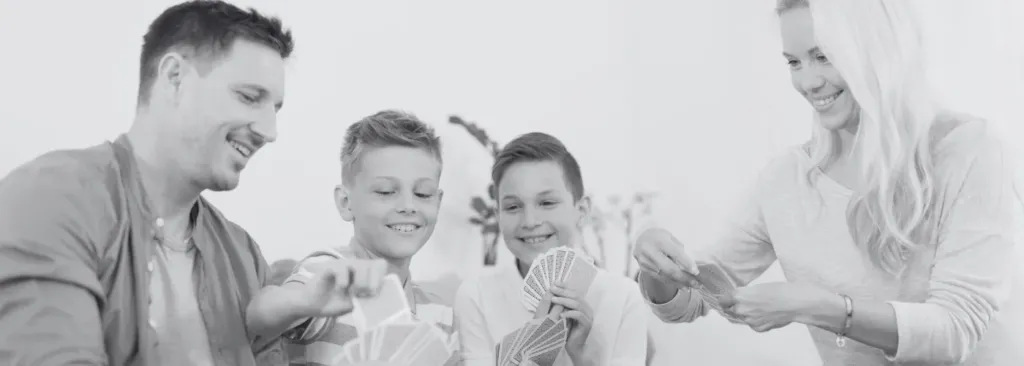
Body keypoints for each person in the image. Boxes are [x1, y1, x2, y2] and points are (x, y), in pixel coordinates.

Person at [633, 0, 1022, 364]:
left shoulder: (970, 151)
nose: (808, 82)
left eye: (823, 57)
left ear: (877, 51)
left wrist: (820, 306)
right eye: (794, 62)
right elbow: (694, 299)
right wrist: (656, 267)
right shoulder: (787, 180)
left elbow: (956, 329)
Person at [0, 1, 294, 365]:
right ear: (175, 77)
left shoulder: (244, 254)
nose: (269, 132)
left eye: (275, 109)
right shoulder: (49, 199)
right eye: (249, 98)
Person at [245, 110, 460, 366]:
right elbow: (259, 316)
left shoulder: (442, 314)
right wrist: (303, 301)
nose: (408, 205)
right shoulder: (328, 274)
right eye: (386, 191)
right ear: (346, 203)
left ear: (438, 202)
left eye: (423, 194)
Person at [455, 132, 649, 366]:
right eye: (513, 206)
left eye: (546, 203)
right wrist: (537, 352)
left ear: (582, 210)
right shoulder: (476, 297)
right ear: (498, 216)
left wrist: (584, 359)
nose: (530, 221)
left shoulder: (624, 298)